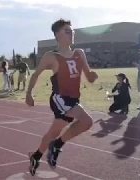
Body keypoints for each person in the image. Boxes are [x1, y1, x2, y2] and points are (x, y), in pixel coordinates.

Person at [25, 19, 98, 176]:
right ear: (57, 35)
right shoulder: (51, 56)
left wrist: (93, 76)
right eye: (67, 31)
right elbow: (36, 74)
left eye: (72, 31)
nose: (71, 34)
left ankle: (35, 156)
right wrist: (29, 93)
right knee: (87, 121)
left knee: (53, 132)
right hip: (59, 98)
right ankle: (57, 146)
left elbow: (89, 77)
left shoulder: (79, 53)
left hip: (73, 98)